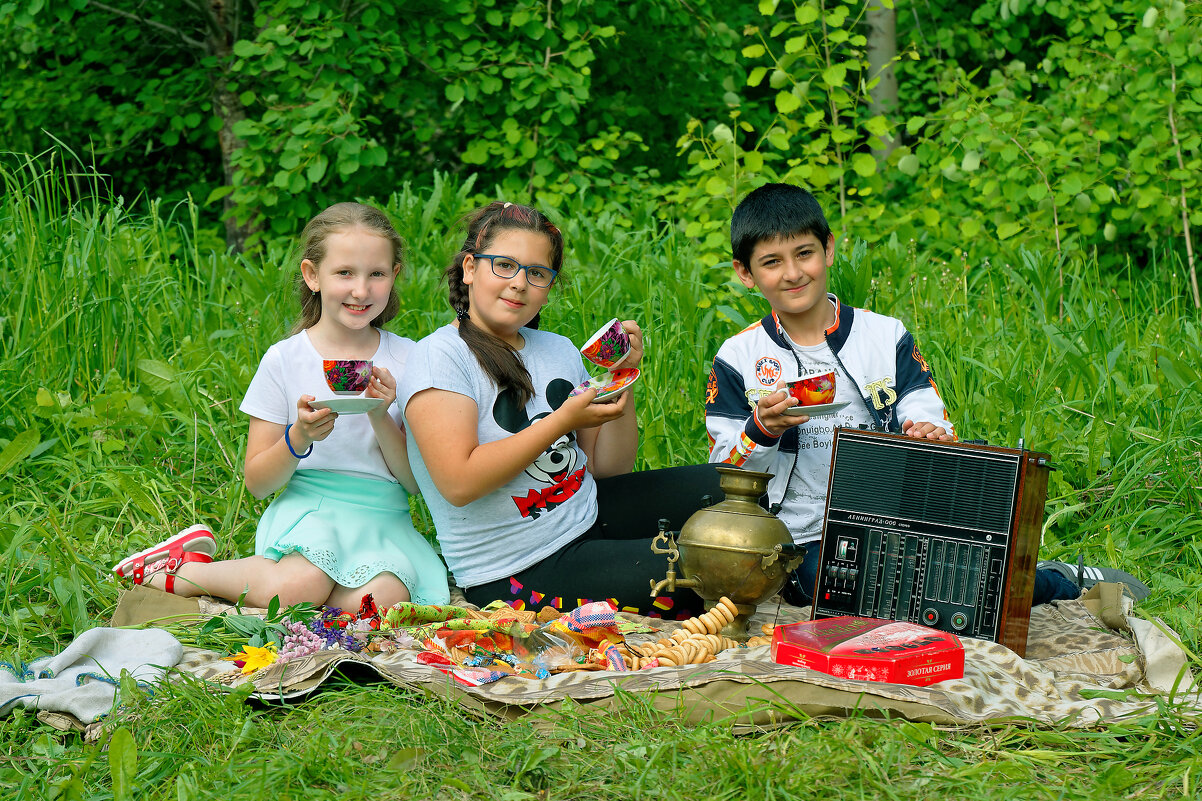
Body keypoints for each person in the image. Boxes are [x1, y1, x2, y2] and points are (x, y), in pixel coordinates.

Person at [704, 183, 1144, 606]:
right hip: (792, 541)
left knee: (951, 579)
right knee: (860, 581)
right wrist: (761, 430)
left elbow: (929, 415)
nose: (794, 273)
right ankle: (1021, 578)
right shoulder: (739, 356)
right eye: (772, 262)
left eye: (805, 254)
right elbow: (721, 478)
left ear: (829, 249)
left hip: (894, 523)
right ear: (746, 273)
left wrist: (928, 433)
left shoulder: (883, 335)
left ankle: (1057, 581)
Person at [113, 202, 450, 609]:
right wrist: (298, 436)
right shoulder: (285, 360)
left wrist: (380, 415)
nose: (361, 290)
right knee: (300, 586)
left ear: (393, 276)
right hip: (309, 511)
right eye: (344, 273)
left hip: (382, 518)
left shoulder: (410, 359)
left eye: (376, 274)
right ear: (313, 276)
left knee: (379, 604)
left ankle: (297, 600)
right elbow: (257, 483)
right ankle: (186, 572)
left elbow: (414, 484)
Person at [398, 201, 719, 618]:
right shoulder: (439, 358)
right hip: (515, 571)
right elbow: (459, 483)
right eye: (504, 266)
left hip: (588, 513)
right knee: (707, 568)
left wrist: (624, 377)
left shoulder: (556, 349)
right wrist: (561, 421)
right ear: (470, 269)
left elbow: (607, 469)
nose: (519, 283)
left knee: (732, 490)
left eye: (536, 273)